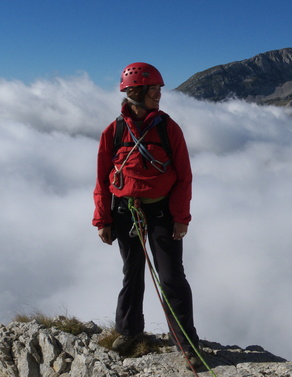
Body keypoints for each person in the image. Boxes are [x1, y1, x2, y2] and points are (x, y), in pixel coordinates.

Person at [92, 62, 200, 366]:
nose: (159, 95)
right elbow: (102, 179)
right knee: (133, 274)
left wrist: (181, 217)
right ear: (134, 92)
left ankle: (186, 342)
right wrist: (102, 219)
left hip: (163, 212)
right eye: (153, 90)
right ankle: (129, 332)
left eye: (159, 89)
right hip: (126, 212)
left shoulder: (168, 128)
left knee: (171, 277)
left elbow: (184, 177)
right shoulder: (113, 131)